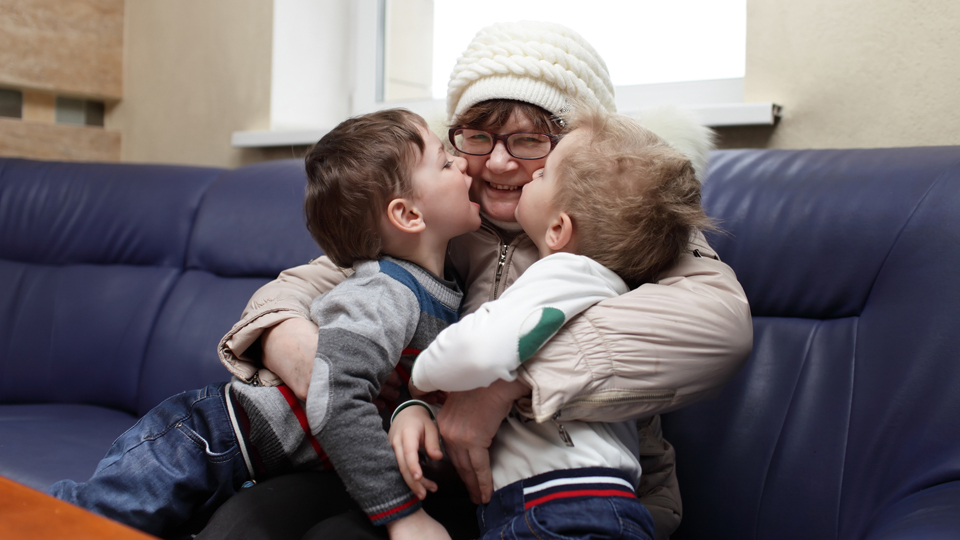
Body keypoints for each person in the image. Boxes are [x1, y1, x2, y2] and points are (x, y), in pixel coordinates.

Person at [202, 20, 752, 540]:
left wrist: (507, 384)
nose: (499, 164)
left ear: (582, 150)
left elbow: (719, 324)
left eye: (530, 141)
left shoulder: (624, 219)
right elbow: (305, 283)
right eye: (478, 137)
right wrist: (286, 336)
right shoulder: (446, 215)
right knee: (243, 523)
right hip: (421, 464)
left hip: (559, 490)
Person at [49, 108, 481, 540]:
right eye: (446, 162)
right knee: (77, 526)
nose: (463, 164)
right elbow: (336, 398)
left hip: (264, 468)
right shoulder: (386, 292)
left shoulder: (445, 289)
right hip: (208, 441)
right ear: (408, 216)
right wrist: (402, 515)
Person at [392, 102, 712, 540]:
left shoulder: (558, 275)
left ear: (559, 229)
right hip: (586, 501)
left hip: (558, 506)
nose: (503, 164)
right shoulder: (608, 284)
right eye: (481, 138)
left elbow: (479, 349)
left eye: (540, 169)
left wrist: (423, 375)